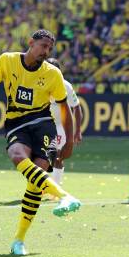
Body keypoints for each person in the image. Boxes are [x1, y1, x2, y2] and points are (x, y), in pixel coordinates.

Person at [0, 29, 81, 256]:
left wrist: (70, 141)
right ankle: (64, 196)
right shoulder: (7, 60)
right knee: (16, 156)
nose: (46, 51)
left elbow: (65, 109)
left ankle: (19, 240)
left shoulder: (53, 74)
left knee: (35, 181)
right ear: (31, 43)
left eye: (49, 49)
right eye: (43, 46)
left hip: (43, 122)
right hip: (16, 121)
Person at [46, 57, 83, 186]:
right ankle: (40, 186)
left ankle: (55, 188)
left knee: (57, 156)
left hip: (60, 125)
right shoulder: (39, 82)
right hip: (44, 124)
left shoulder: (66, 86)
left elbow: (76, 107)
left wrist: (77, 131)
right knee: (40, 156)